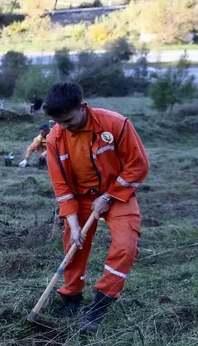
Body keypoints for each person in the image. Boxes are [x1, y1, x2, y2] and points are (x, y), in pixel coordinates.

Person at [44, 82, 149, 333]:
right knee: (74, 243)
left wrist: (109, 196)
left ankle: (101, 301)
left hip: (118, 193)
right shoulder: (55, 139)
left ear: (81, 107)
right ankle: (72, 295)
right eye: (60, 123)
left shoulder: (115, 124)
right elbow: (61, 186)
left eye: (69, 120)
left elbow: (138, 165)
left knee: (126, 245)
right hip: (79, 198)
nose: (65, 127)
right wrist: (73, 223)